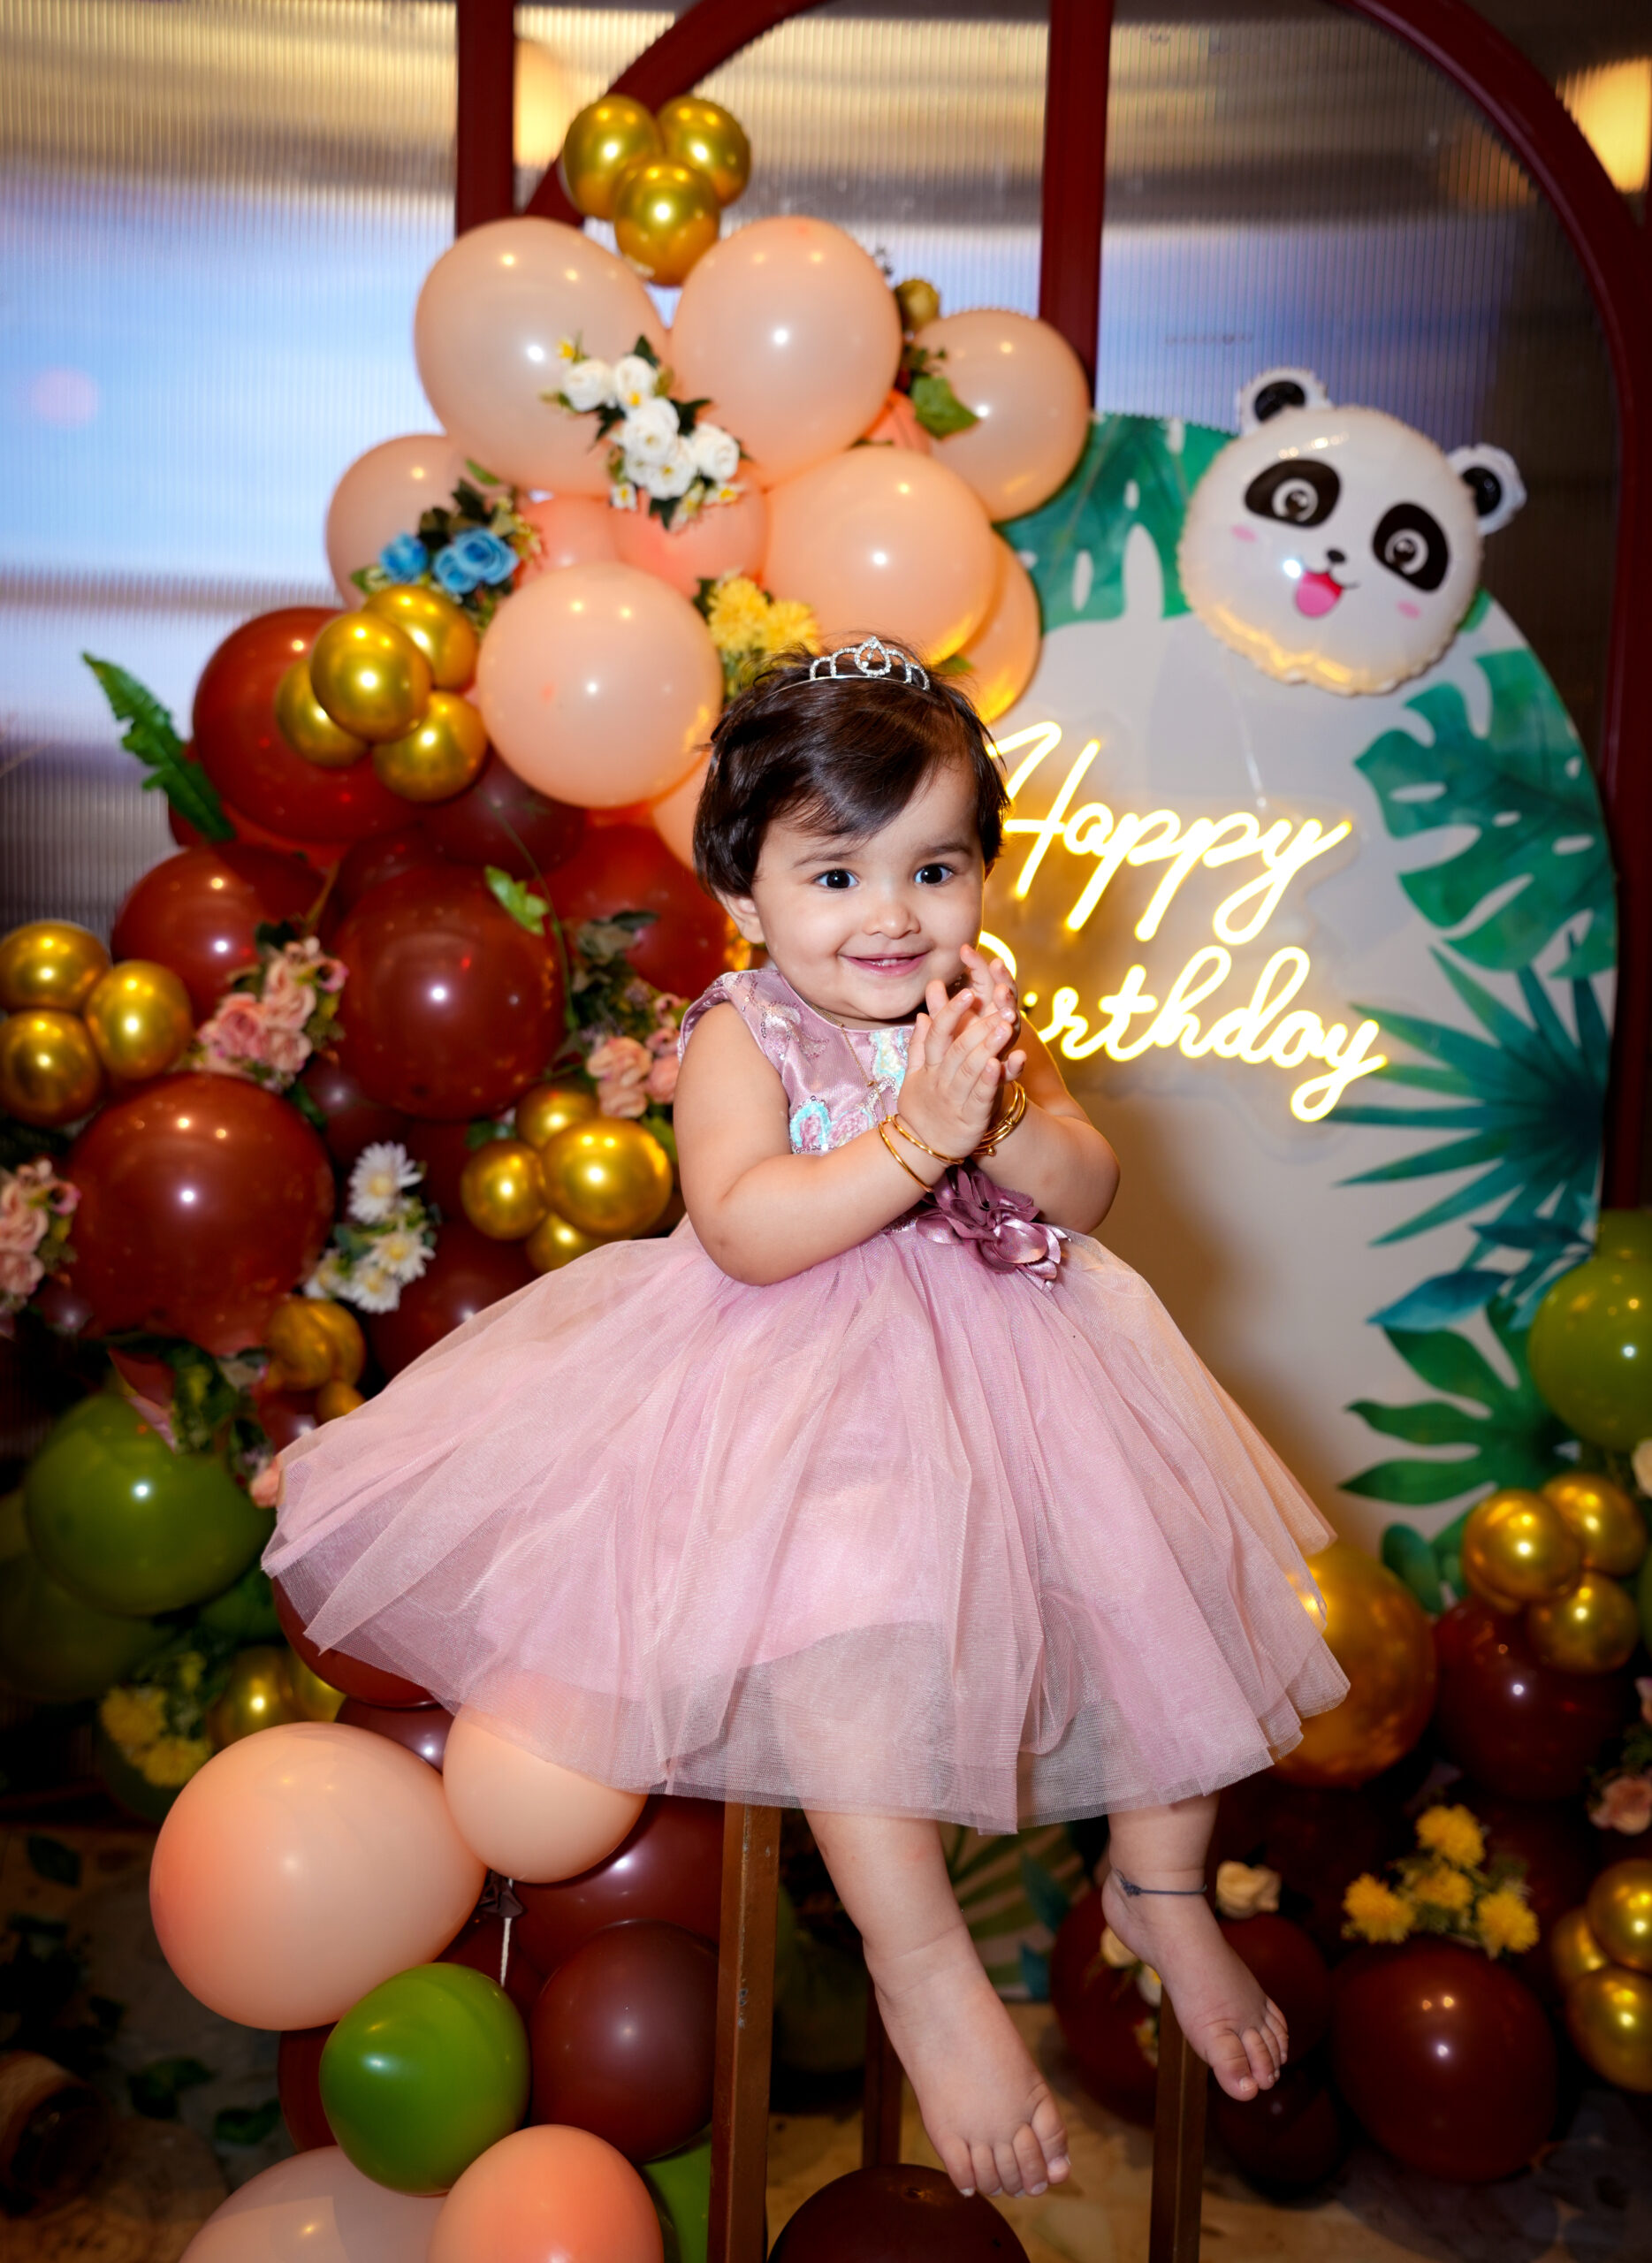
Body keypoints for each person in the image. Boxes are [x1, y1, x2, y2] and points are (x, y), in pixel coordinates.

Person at [262, 635, 1346, 2202]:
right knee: (854, 1644)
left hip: (1025, 1376)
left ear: (981, 879)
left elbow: (1086, 1190)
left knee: (1166, 1583)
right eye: (836, 875)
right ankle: (922, 1963)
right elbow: (745, 1227)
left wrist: (1000, 1115)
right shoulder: (742, 1030)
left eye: (936, 869)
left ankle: (1161, 1883)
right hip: (803, 1388)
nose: (891, 914)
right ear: (747, 894)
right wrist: (914, 1140)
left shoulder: (979, 1019)